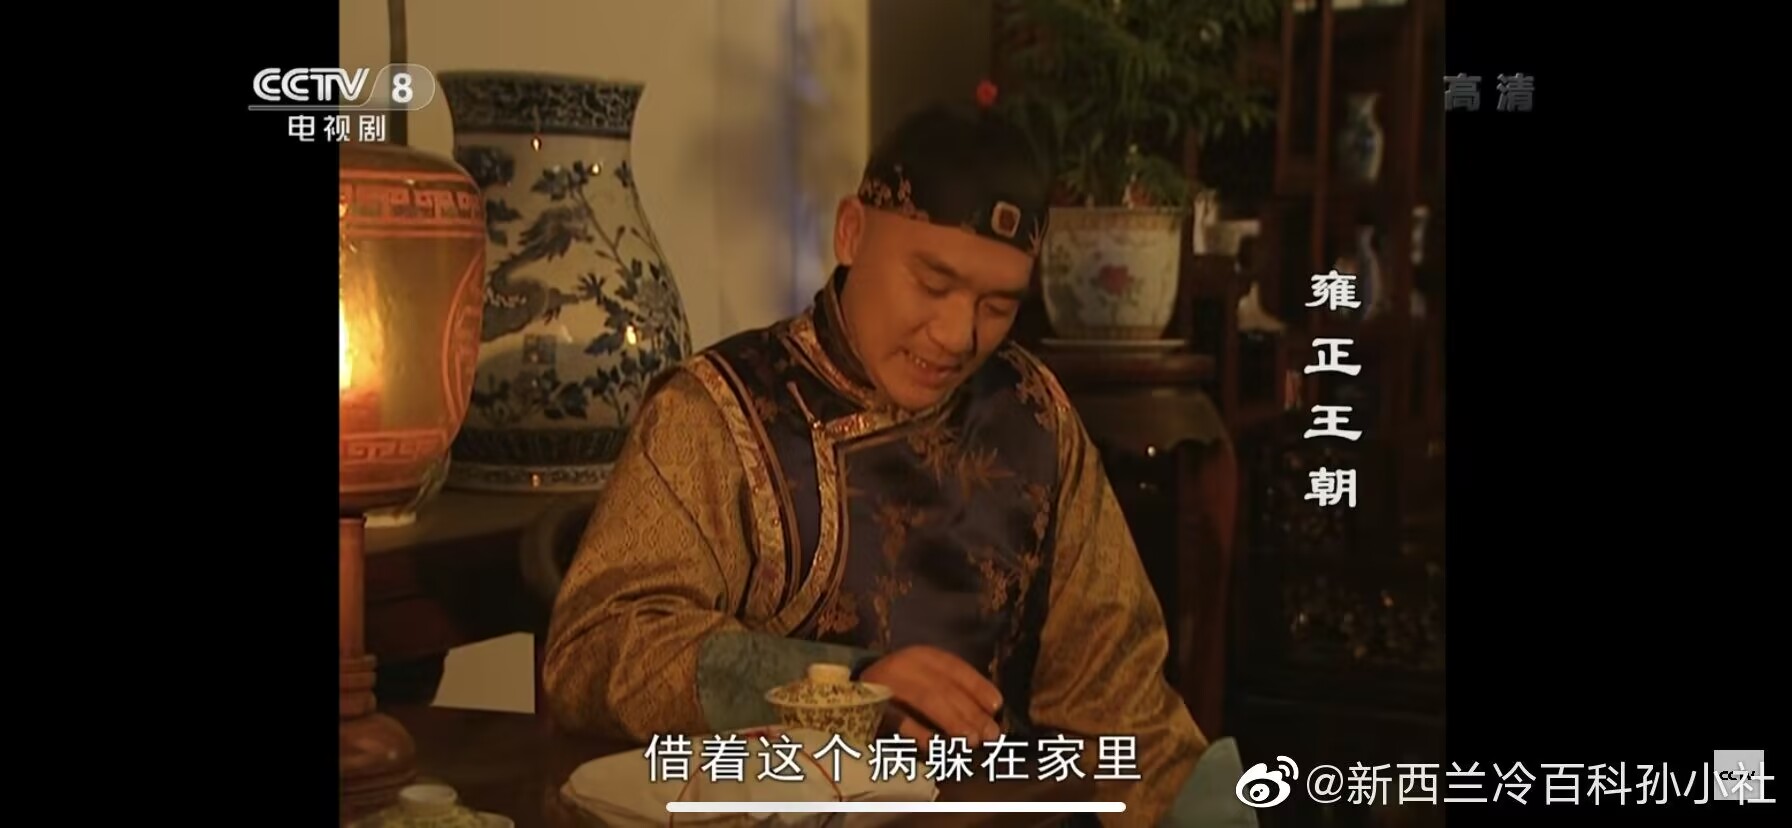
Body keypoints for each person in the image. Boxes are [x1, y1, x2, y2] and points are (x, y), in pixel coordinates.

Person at [544, 92, 1230, 826]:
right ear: (851, 232)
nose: (959, 335)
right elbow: (594, 649)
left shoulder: (1033, 413)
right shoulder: (718, 412)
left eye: (997, 306)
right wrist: (848, 687)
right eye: (932, 284)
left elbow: (1115, 690)